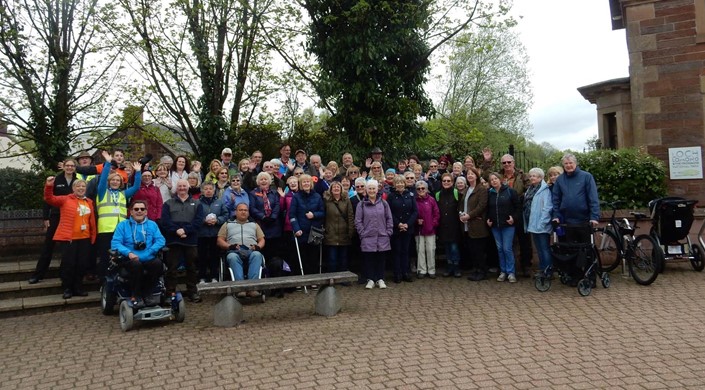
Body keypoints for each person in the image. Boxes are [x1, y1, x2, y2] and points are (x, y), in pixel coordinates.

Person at [43, 176, 96, 299]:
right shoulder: (66, 199)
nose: (81, 188)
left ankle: (78, 287)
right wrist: (49, 186)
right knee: (69, 264)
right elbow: (49, 198)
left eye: (83, 186)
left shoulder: (89, 202)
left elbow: (91, 220)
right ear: (73, 188)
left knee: (82, 264)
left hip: (85, 237)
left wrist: (93, 235)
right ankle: (67, 288)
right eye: (78, 186)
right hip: (70, 238)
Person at [28, 158, 77, 284]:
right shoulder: (56, 180)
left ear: (75, 168)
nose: (70, 168)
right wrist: (46, 217)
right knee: (48, 245)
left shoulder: (79, 180)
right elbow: (47, 199)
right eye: (68, 165)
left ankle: (64, 275)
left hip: (72, 217)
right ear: (63, 166)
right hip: (56, 216)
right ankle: (38, 274)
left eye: (72, 166)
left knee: (68, 248)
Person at [95, 151, 142, 279]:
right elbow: (103, 179)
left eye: (118, 180)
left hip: (121, 229)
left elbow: (136, 187)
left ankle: (118, 279)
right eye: (113, 180)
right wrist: (108, 163)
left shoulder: (123, 194)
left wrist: (138, 172)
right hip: (106, 230)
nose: (115, 182)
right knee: (105, 257)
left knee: (121, 256)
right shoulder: (102, 193)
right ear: (109, 182)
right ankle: (104, 281)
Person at [110, 200, 165, 307]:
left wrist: (151, 250)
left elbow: (160, 240)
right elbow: (115, 243)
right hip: (129, 259)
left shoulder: (152, 225)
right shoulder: (122, 225)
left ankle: (148, 294)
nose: (139, 211)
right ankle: (136, 295)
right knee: (136, 265)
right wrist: (129, 253)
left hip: (148, 256)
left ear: (146, 212)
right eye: (136, 209)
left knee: (158, 264)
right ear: (131, 212)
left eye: (142, 209)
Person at [161, 179, 204, 303]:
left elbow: (198, 221)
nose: (182, 188)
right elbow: (165, 221)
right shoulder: (168, 203)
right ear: (176, 188)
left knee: (191, 268)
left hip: (190, 241)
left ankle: (192, 292)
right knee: (172, 268)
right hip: (173, 241)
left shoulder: (197, 203)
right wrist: (176, 231)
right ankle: (170, 293)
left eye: (184, 186)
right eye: (179, 186)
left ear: (188, 187)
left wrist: (185, 230)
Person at [217, 203, 266, 298]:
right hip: (234, 251)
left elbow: (262, 239)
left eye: (245, 210)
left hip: (251, 250)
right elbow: (219, 240)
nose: (243, 212)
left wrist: (258, 247)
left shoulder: (254, 224)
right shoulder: (227, 224)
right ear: (236, 212)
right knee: (232, 257)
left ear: (248, 212)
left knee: (257, 255)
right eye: (240, 210)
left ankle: (252, 288)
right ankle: (240, 288)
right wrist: (229, 246)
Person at [551, 153, 600, 243]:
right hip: (566, 221)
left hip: (584, 221)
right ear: (563, 165)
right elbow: (556, 199)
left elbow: (593, 197)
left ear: (575, 163)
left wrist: (594, 216)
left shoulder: (586, 177)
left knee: (585, 250)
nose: (569, 165)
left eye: (571, 163)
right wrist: (555, 215)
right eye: (566, 163)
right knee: (569, 250)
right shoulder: (560, 180)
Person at [355, 179, 393, 289]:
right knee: (369, 259)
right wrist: (362, 233)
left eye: (373, 188)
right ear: (366, 190)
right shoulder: (361, 204)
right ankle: (370, 279)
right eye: (369, 188)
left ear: (377, 190)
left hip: (382, 236)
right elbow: (358, 221)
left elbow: (389, 218)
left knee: (381, 259)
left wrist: (388, 232)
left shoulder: (384, 203)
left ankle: (380, 279)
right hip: (368, 237)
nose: (371, 190)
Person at [500, 153, 532, 277]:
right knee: (506, 242)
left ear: (513, 162)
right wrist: (487, 161)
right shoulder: (499, 175)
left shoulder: (522, 176)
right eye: (504, 163)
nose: (507, 165)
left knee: (524, 240)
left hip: (519, 211)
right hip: (503, 212)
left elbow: (529, 190)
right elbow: (485, 176)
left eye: (509, 162)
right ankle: (507, 268)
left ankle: (526, 266)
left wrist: (517, 199)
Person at [289, 174, 325, 281]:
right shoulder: (296, 197)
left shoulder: (317, 196)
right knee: (302, 257)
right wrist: (296, 228)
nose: (306, 184)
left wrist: (314, 215)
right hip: (301, 231)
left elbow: (322, 212)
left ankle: (313, 280)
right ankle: (301, 280)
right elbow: (292, 215)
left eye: (308, 182)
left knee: (313, 257)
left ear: (311, 183)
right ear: (300, 184)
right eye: (303, 182)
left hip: (314, 232)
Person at [486, 172, 521, 283]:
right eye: (491, 180)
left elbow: (518, 207)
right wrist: (488, 219)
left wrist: (513, 218)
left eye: (496, 178)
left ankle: (511, 272)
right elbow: (487, 208)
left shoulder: (510, 192)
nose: (494, 181)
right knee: (500, 249)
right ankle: (503, 271)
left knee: (507, 248)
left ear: (500, 179)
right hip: (495, 225)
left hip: (507, 225)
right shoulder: (489, 193)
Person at [459, 167, 490, 281]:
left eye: (472, 174)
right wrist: (461, 215)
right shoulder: (467, 190)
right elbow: (463, 205)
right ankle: (476, 270)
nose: (470, 176)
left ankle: (482, 271)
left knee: (479, 250)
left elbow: (481, 206)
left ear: (476, 176)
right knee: (472, 249)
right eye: (468, 174)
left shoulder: (481, 189)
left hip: (477, 224)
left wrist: (469, 215)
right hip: (467, 225)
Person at [197, 182, 229, 284]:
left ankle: (214, 276)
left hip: (216, 233)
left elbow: (225, 214)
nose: (208, 190)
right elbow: (194, 217)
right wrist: (203, 221)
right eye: (206, 189)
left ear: (214, 190)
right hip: (202, 234)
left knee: (214, 256)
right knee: (202, 256)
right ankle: (202, 277)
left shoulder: (219, 202)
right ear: (202, 191)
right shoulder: (197, 202)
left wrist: (217, 220)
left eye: (210, 188)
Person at [388, 175, 418, 283]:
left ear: (404, 183)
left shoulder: (410, 195)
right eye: (397, 183)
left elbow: (415, 211)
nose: (400, 184)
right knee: (397, 251)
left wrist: (407, 224)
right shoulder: (391, 196)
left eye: (401, 182)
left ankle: (405, 272)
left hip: (407, 228)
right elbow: (389, 212)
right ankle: (397, 273)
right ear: (394, 184)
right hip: (396, 228)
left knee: (406, 251)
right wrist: (398, 224)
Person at [524, 168, 553, 276]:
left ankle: (548, 270)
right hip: (532, 224)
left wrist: (542, 223)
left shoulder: (545, 190)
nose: (532, 178)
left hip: (541, 224)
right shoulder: (530, 189)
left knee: (544, 248)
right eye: (531, 176)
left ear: (540, 178)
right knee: (539, 249)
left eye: (534, 176)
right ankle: (542, 269)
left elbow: (547, 207)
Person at [323, 181, 354, 274]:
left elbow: (350, 216)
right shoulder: (326, 201)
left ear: (341, 189)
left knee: (343, 258)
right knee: (332, 258)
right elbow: (324, 217)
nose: (336, 189)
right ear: (331, 190)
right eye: (334, 187)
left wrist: (351, 231)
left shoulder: (347, 200)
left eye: (338, 187)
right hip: (330, 234)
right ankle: (332, 278)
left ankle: (343, 278)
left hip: (344, 233)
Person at [249, 172, 282, 260]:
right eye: (261, 179)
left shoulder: (274, 193)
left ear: (269, 181)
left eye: (265, 179)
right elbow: (252, 208)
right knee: (263, 250)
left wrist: (273, 217)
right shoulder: (253, 193)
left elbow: (277, 205)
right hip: (261, 224)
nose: (263, 181)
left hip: (274, 224)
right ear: (258, 181)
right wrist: (263, 217)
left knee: (274, 251)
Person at [436, 173, 462, 277]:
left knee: (454, 248)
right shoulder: (438, 194)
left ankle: (456, 268)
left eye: (448, 181)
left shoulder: (457, 193)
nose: (446, 183)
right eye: (444, 181)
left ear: (452, 182)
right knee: (447, 248)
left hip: (454, 226)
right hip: (443, 226)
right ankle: (449, 266)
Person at [414, 180, 440, 278]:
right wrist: (416, 221)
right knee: (420, 250)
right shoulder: (414, 200)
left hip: (430, 229)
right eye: (418, 188)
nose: (421, 190)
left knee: (431, 249)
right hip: (419, 230)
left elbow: (436, 214)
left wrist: (432, 224)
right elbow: (413, 213)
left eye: (423, 188)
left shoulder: (431, 200)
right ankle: (422, 270)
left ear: (426, 189)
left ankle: (431, 269)